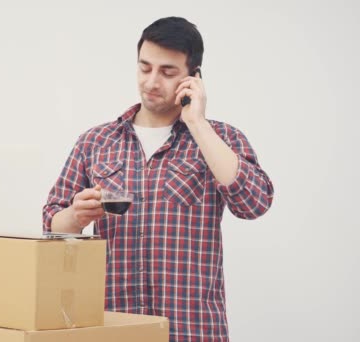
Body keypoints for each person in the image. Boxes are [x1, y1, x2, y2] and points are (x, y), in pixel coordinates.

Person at [42, 17, 274, 342]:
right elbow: (51, 227)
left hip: (192, 331)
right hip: (113, 328)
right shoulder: (94, 142)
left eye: (167, 72)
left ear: (193, 78)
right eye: (144, 68)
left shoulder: (220, 139)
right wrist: (76, 216)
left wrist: (197, 122)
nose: (152, 81)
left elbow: (255, 204)